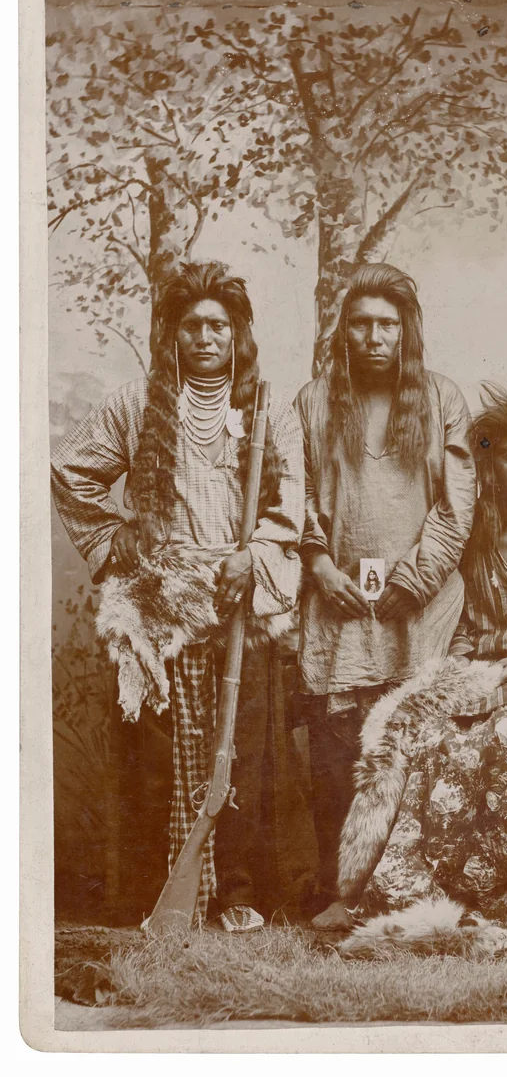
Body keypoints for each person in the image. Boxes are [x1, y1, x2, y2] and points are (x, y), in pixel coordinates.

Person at [51, 262, 306, 931]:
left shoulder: (265, 407)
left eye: (217, 326)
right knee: (155, 755)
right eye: (191, 326)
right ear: (172, 335)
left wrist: (255, 555)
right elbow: (72, 477)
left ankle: (237, 895)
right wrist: (119, 549)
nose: (204, 338)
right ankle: (152, 895)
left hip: (235, 602)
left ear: (237, 334)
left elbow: (293, 503)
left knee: (239, 750)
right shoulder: (134, 404)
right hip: (159, 606)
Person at [320, 378, 507, 934]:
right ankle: (384, 894)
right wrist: (459, 673)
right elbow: (464, 612)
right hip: (476, 668)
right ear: (490, 466)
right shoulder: (477, 526)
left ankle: (488, 902)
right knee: (419, 736)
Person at [295, 263, 476, 919]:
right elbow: (301, 495)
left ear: (406, 334)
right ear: (343, 332)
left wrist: (415, 579)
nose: (374, 338)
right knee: (337, 750)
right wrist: (317, 565)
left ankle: (404, 892)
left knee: (411, 743)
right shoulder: (313, 402)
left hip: (416, 607)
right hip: (338, 602)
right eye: (362, 324)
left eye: (387, 326)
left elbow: (456, 504)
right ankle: (339, 893)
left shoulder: (439, 399)